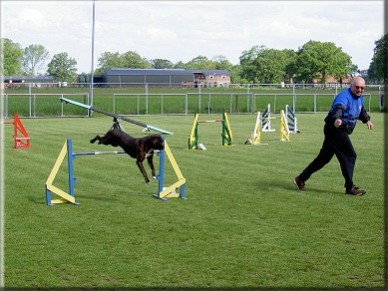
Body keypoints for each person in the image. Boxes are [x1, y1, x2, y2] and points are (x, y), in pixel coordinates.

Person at [293, 76, 374, 196]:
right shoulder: (344, 96)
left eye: (362, 88)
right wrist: (337, 119)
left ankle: (300, 179)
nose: (360, 90)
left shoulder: (359, 97)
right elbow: (339, 108)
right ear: (351, 86)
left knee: (324, 158)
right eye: (357, 87)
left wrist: (367, 120)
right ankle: (350, 187)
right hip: (335, 128)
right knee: (349, 155)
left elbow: (361, 110)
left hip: (338, 129)